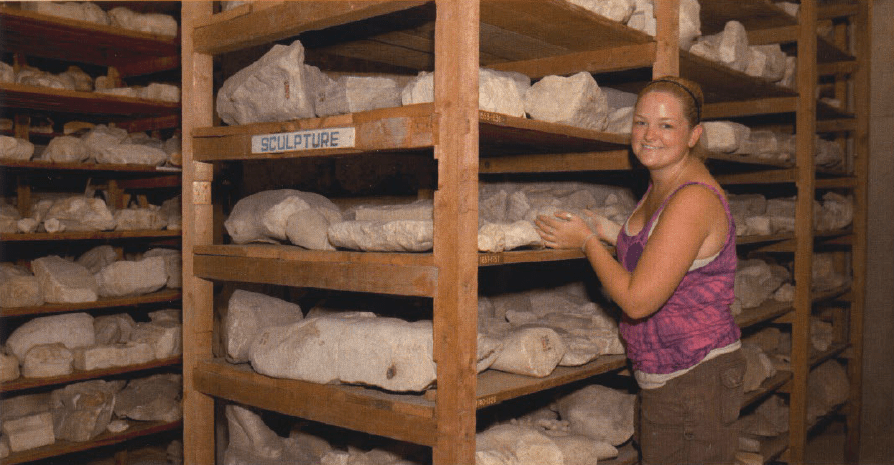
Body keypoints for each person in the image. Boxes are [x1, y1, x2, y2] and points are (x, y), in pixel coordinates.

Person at [535, 76, 745, 464]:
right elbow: (661, 250)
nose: (649, 135)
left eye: (666, 125)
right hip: (670, 375)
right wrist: (607, 230)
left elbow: (636, 301)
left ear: (694, 134)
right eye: (641, 122)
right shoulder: (664, 181)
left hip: (694, 377)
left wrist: (586, 243)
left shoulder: (692, 198)